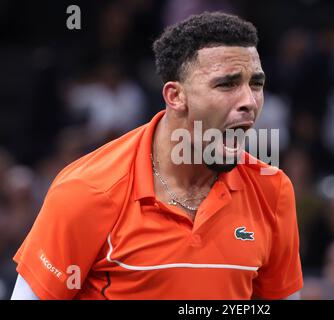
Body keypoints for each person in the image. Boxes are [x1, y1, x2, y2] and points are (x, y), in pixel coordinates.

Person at [11, 12, 303, 300]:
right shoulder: (88, 189)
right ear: (175, 96)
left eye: (256, 84)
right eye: (226, 84)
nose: (249, 102)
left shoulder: (272, 190)